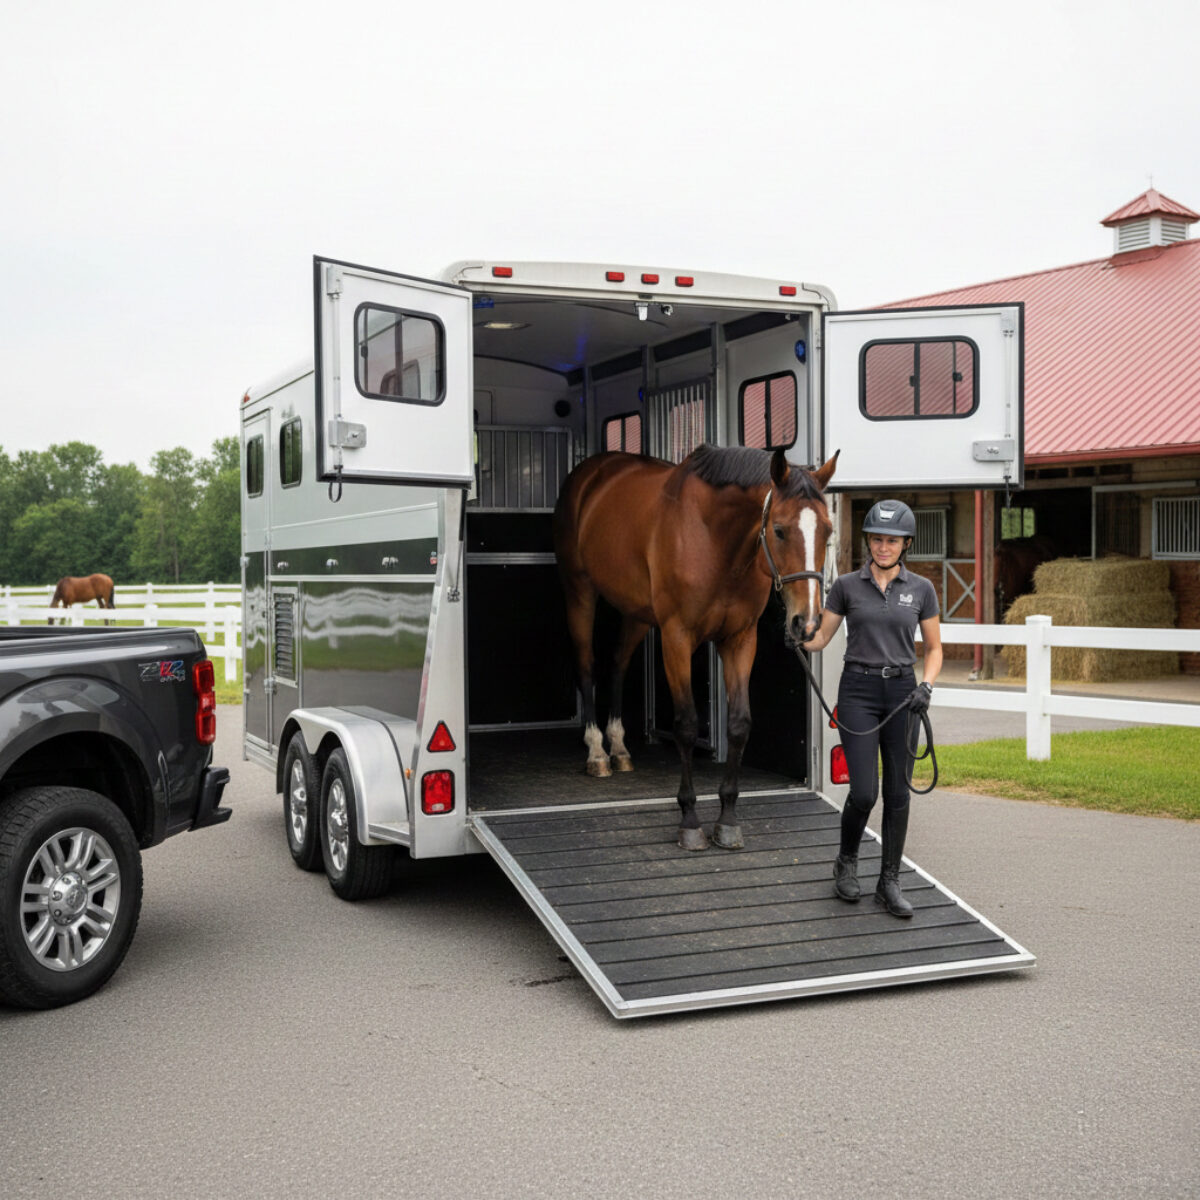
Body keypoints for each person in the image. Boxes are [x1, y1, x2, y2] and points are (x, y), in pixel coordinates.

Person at [801, 499, 943, 917]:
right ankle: (846, 862)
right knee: (864, 791)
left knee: (898, 794)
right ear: (868, 542)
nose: (884, 547)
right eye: (878, 540)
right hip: (858, 691)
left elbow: (934, 649)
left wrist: (927, 687)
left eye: (892, 541)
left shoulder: (922, 590)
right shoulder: (845, 586)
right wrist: (798, 636)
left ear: (906, 544)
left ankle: (889, 881)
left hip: (903, 693)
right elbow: (821, 639)